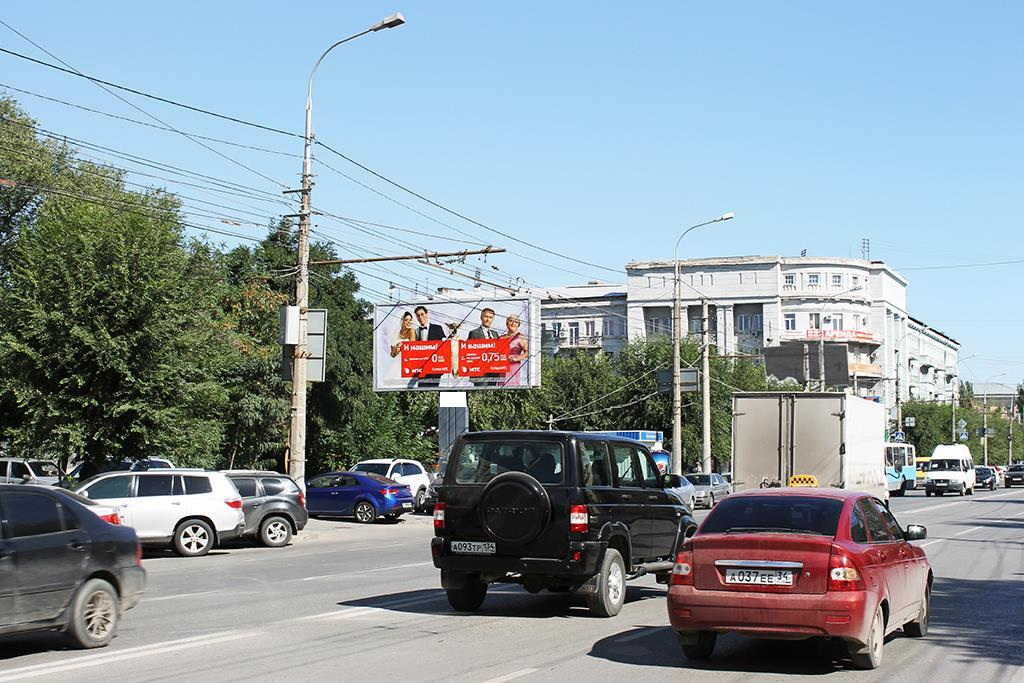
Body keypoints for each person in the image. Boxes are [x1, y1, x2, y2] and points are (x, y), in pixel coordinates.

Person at [413, 305, 446, 387]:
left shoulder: (437, 328)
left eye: (422, 314)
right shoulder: (416, 331)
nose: (420, 317)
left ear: (426, 314)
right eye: (418, 315)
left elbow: (444, 346)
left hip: (435, 369)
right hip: (421, 369)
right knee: (422, 391)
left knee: (434, 391)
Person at [468, 308, 501, 386]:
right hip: (480, 373)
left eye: (490, 317)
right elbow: (470, 353)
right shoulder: (474, 333)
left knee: (491, 392)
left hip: (493, 373)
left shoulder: (495, 334)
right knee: (480, 392)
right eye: (486, 316)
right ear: (481, 317)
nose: (488, 319)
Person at [502, 314, 528, 387]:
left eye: (516, 322)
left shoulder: (521, 338)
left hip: (513, 369)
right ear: (507, 323)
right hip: (501, 370)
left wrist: (517, 358)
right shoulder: (501, 338)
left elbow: (528, 352)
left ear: (518, 325)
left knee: (511, 387)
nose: (513, 323)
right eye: (511, 321)